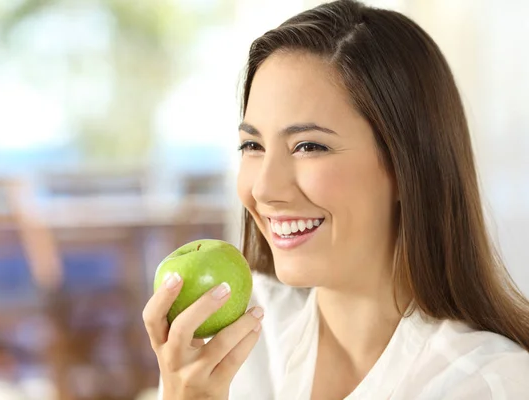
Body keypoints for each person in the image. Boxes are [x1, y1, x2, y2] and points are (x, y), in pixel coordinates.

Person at [142, 1, 529, 399]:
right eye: (252, 145)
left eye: (308, 146)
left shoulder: (487, 385)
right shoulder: (225, 339)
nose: (263, 190)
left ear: (406, 166)